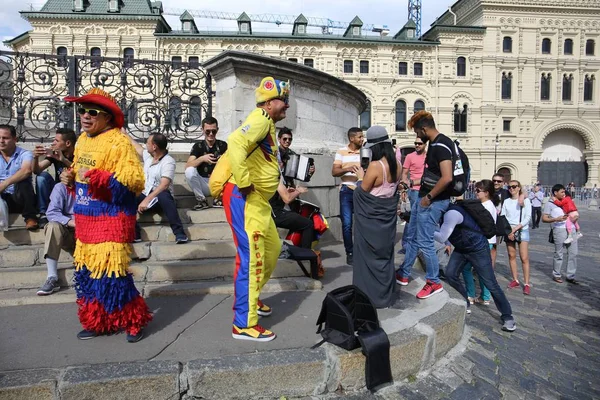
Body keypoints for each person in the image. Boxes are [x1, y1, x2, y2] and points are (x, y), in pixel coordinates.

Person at [61, 87, 152, 342]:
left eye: (92, 112)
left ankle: (134, 321)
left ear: (107, 118)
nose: (85, 116)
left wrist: (100, 178)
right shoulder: (81, 140)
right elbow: (79, 175)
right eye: (82, 111)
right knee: (88, 276)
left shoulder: (119, 141)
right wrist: (68, 178)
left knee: (113, 276)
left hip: (111, 221)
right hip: (85, 220)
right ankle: (98, 321)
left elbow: (133, 182)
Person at [219, 76, 290, 342]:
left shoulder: (267, 122)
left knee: (271, 250)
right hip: (245, 198)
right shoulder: (261, 118)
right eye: (284, 102)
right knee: (251, 258)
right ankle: (244, 324)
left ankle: (252, 299)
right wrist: (246, 182)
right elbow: (235, 142)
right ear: (270, 102)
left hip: (259, 203)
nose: (287, 107)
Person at [434, 200, 516, 332]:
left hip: (478, 249)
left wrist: (423, 229)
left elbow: (442, 236)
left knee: (490, 282)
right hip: (462, 248)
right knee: (450, 274)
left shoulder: (452, 213)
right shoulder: (443, 214)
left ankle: (508, 316)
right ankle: (465, 303)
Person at [396, 111, 453, 300]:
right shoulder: (437, 144)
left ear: (423, 129)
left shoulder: (441, 145)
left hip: (434, 200)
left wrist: (428, 197)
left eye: (417, 133)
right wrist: (412, 185)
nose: (416, 137)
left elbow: (447, 178)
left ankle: (433, 281)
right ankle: (404, 273)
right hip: (425, 197)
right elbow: (433, 176)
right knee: (415, 237)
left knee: (425, 242)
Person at [353, 126, 400, 308]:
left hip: (370, 221)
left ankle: (368, 297)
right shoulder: (398, 164)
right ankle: (385, 295)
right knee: (384, 257)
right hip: (387, 220)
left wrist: (359, 177)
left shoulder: (374, 166)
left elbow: (362, 192)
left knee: (367, 258)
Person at [128, 132, 188, 244]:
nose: (145, 145)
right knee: (126, 195)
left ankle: (180, 233)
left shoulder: (168, 161)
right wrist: (123, 132)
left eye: (147, 142)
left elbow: (164, 185)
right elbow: (137, 147)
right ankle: (135, 233)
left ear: (154, 146)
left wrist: (147, 200)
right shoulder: (149, 157)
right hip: (145, 196)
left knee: (163, 195)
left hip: (160, 200)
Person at [331, 127, 364, 266]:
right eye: (360, 137)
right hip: (346, 190)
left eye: (362, 137)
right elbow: (334, 171)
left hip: (362, 190)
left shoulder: (366, 152)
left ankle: (362, 251)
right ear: (352, 138)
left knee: (362, 223)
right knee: (347, 224)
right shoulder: (341, 151)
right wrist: (347, 168)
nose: (362, 139)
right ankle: (349, 252)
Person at [462, 180, 497, 306]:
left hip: (482, 242)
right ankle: (484, 296)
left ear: (486, 193)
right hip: (487, 241)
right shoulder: (488, 204)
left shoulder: (486, 206)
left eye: (478, 191)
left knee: (467, 268)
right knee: (482, 270)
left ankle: (471, 294)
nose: (475, 193)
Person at [32, 128, 76, 227]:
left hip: (71, 192)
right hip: (57, 190)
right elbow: (37, 170)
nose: (53, 143)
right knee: (41, 177)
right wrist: (35, 157)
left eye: (56, 141)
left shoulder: (78, 154)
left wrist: (63, 160)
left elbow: (80, 170)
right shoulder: (55, 154)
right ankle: (43, 213)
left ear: (68, 143)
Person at [36, 182, 75, 295]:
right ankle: (52, 277)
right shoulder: (61, 187)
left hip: (90, 233)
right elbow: (52, 212)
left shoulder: (94, 186)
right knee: (53, 226)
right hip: (68, 231)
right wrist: (71, 222)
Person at [0, 124, 39, 230]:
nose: (1, 141)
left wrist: (5, 183)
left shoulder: (25, 154)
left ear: (15, 139)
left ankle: (30, 218)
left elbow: (26, 170)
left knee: (23, 181)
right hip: (2, 198)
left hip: (19, 199)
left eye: (5, 138)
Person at [185, 117, 228, 210]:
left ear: (217, 130)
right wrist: (201, 159)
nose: (211, 134)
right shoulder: (198, 146)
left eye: (214, 131)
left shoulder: (223, 145)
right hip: (203, 182)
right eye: (208, 131)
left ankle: (219, 198)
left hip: (219, 183)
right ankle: (201, 200)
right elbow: (187, 166)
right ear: (202, 130)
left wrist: (223, 160)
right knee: (189, 171)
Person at [542, 184, 579, 284]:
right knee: (559, 253)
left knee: (573, 253)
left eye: (564, 192)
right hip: (559, 230)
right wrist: (556, 219)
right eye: (562, 192)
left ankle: (570, 275)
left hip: (572, 229)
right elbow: (544, 218)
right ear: (555, 192)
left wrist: (575, 217)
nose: (564, 194)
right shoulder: (550, 204)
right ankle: (556, 274)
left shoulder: (567, 201)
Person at [502, 180, 532, 295]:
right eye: (509, 187)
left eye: (514, 186)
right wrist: (509, 230)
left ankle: (527, 283)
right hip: (509, 230)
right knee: (511, 255)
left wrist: (515, 229)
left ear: (519, 188)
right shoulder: (506, 201)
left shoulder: (525, 200)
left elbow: (527, 217)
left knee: (524, 257)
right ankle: (515, 279)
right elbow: (503, 216)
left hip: (521, 229)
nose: (511, 189)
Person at [398, 137, 426, 254]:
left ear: (425, 144)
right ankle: (406, 245)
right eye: (415, 143)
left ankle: (417, 244)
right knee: (411, 218)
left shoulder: (429, 157)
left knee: (423, 219)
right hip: (414, 191)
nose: (417, 145)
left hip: (426, 191)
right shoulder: (410, 156)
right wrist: (404, 187)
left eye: (420, 143)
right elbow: (404, 173)